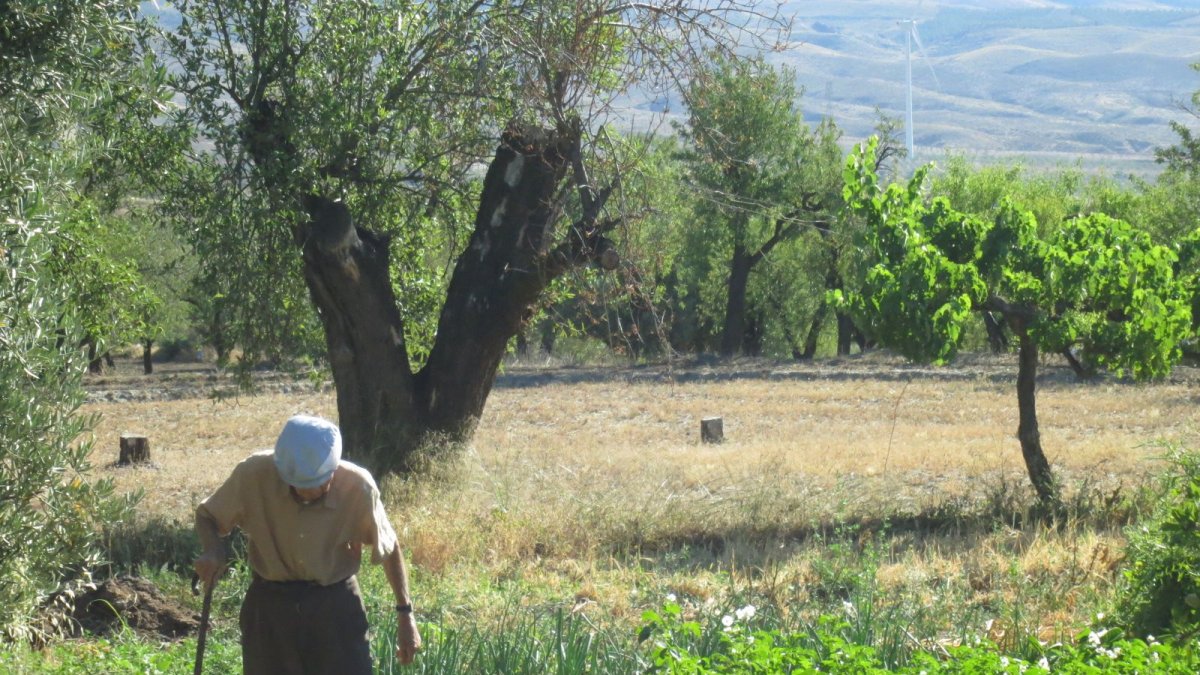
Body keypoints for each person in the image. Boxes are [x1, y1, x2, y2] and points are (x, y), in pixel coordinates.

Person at [193, 414, 421, 674]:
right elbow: (207, 515)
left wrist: (406, 614)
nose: (306, 493)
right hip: (270, 608)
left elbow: (389, 547)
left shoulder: (358, 487)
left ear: (333, 470)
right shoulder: (254, 474)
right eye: (297, 486)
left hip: (334, 608)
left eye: (316, 485)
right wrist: (213, 549)